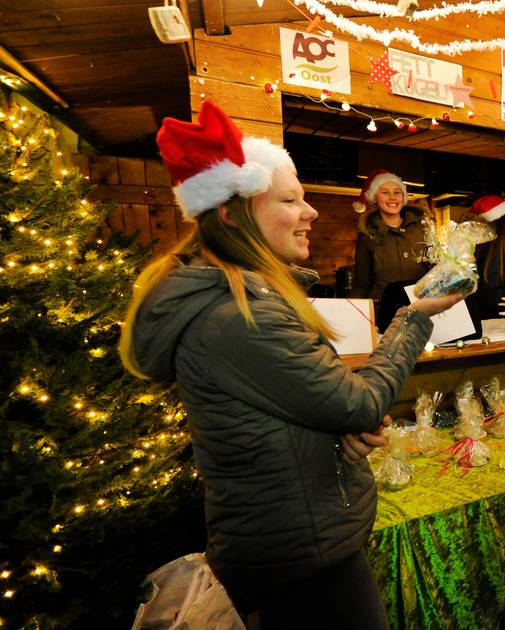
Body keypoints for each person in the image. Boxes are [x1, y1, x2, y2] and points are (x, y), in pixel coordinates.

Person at [118, 101, 459, 629]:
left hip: (294, 539)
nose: (312, 212)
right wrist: (412, 319)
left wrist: (340, 436)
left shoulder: (248, 298)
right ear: (233, 215)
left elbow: (295, 408)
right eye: (291, 199)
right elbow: (359, 402)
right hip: (303, 554)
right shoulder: (239, 314)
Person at [350, 169, 430, 301]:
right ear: (375, 197)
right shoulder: (366, 237)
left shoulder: (423, 228)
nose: (392, 197)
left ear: (403, 197)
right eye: (385, 192)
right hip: (385, 310)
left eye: (397, 192)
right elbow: (362, 284)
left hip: (422, 306)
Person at [464, 194, 505, 336]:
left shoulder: (491, 248)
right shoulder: (493, 250)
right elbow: (490, 295)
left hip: (489, 322)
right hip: (493, 325)